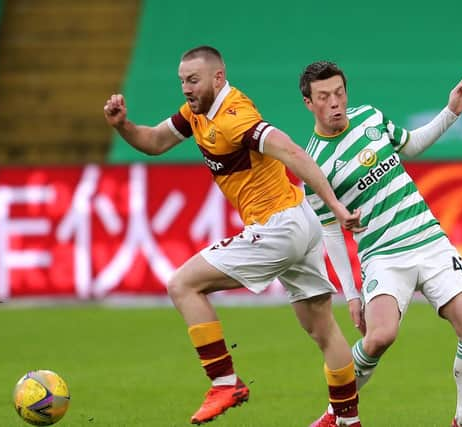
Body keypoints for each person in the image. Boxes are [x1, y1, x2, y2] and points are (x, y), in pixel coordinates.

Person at [104, 46, 365, 426]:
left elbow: (293, 152)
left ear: (218, 78)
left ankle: (225, 383)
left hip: (280, 227)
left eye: (193, 80)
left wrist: (337, 208)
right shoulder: (196, 113)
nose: (186, 88)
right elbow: (156, 142)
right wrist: (122, 125)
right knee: (321, 326)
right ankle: (347, 419)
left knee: (182, 285)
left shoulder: (234, 117)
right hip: (298, 222)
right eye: (182, 81)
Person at [299, 61, 462, 427]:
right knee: (379, 337)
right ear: (309, 103)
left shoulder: (370, 117)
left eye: (339, 93)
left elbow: (411, 145)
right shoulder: (314, 164)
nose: (335, 103)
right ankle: (334, 414)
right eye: (324, 97)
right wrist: (352, 295)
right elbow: (332, 231)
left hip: (429, 241)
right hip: (383, 256)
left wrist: (450, 112)